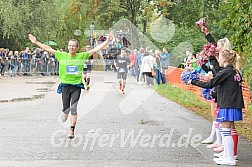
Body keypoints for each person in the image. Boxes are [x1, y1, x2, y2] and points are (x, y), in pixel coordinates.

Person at [28, 32, 114, 139]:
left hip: (76, 86)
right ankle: (65, 113)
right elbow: (48, 49)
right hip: (65, 86)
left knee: (74, 108)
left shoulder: (82, 56)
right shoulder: (61, 55)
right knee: (66, 109)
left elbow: (95, 50)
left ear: (77, 48)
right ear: (68, 47)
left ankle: (72, 129)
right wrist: (36, 42)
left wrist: (107, 41)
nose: (71, 47)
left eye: (73, 46)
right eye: (70, 45)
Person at [189, 50, 244, 166]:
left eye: (219, 57)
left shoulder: (227, 72)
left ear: (224, 59)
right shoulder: (234, 71)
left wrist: (192, 81)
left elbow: (211, 84)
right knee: (226, 132)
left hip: (228, 104)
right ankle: (227, 156)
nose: (218, 59)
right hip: (231, 103)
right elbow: (226, 88)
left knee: (226, 132)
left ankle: (230, 158)